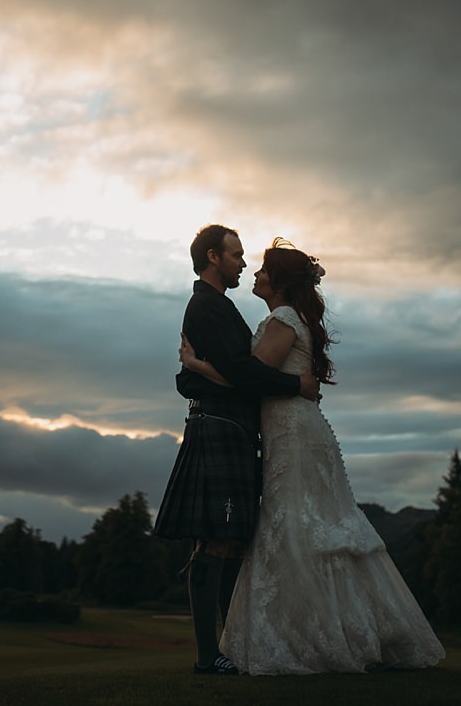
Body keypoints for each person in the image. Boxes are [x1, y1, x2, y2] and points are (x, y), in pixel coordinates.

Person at [180, 238, 445, 675]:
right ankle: (328, 630)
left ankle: (317, 636)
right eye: (245, 260)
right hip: (293, 430)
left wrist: (198, 367)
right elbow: (254, 374)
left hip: (293, 434)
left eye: (263, 269)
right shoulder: (279, 316)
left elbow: (254, 379)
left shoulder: (282, 318)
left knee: (299, 527)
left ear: (279, 283)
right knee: (311, 526)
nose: (254, 271)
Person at [153, 224, 321, 676]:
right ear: (213, 257)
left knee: (231, 540)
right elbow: (243, 373)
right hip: (220, 427)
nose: (243, 263)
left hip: (231, 427)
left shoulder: (220, 306)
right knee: (216, 539)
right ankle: (210, 656)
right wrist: (294, 384)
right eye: (236, 255)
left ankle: (229, 648)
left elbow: (221, 372)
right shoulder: (206, 306)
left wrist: (193, 371)